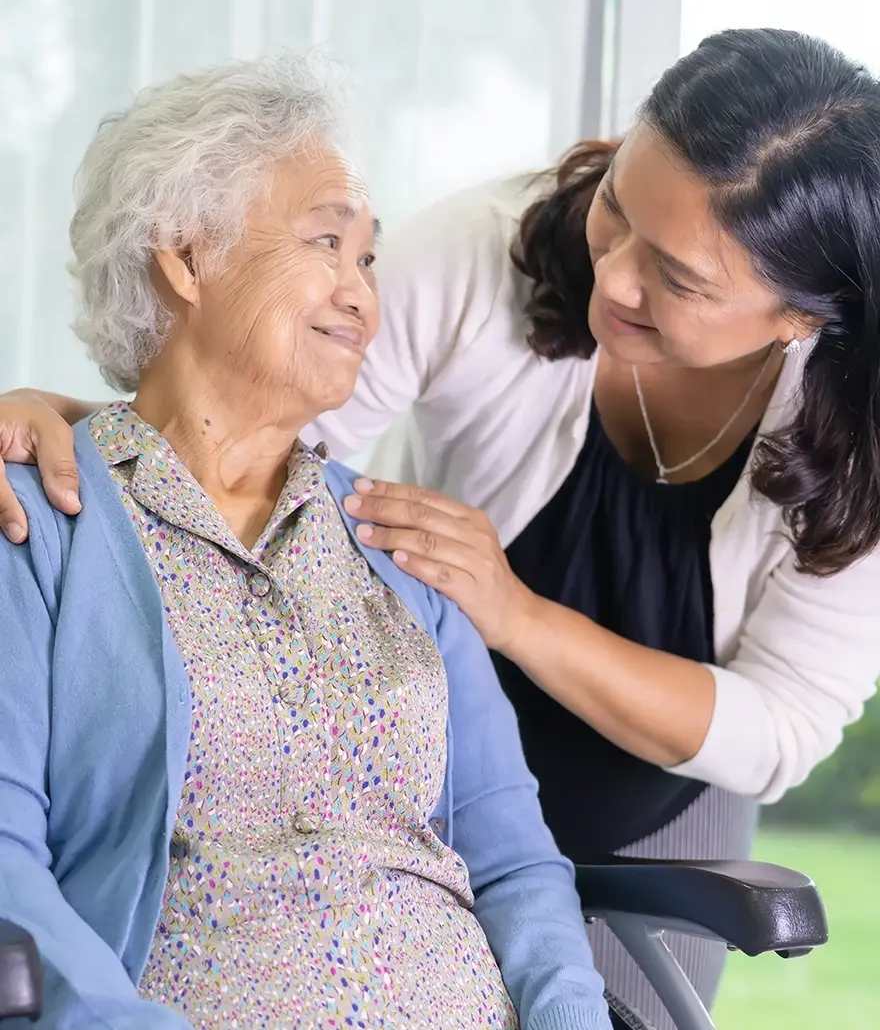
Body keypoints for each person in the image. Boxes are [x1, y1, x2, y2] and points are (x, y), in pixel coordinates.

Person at [3, 28, 880, 1029]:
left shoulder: (407, 573)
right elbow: (232, 427)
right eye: (616, 211)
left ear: (796, 317)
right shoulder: (48, 534)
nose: (614, 279)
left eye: (677, 279)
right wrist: (68, 427)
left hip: (652, 778)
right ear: (189, 254)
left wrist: (512, 612)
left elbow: (751, 738)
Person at [0, 54, 613, 1030]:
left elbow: (513, 863)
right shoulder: (38, 526)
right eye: (328, 242)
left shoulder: (399, 546)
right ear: (186, 258)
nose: (365, 298)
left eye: (367, 260)